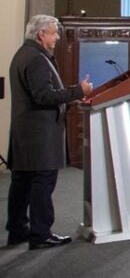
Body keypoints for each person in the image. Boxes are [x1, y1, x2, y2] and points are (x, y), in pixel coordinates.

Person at [6, 15, 94, 250]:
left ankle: (17, 230)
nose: (57, 37)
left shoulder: (24, 54)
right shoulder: (36, 58)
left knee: (22, 183)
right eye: (54, 32)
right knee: (42, 184)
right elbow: (44, 96)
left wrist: (68, 98)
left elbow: (43, 93)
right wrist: (78, 91)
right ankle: (41, 234)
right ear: (40, 34)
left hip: (26, 133)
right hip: (39, 136)